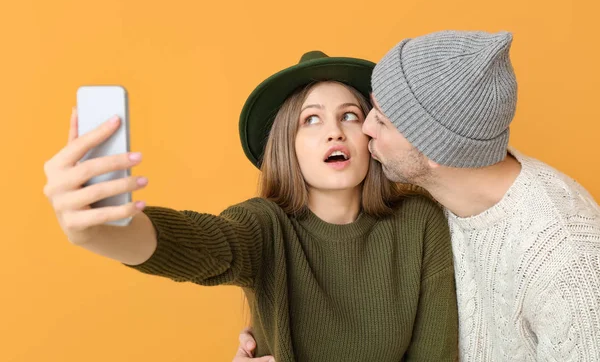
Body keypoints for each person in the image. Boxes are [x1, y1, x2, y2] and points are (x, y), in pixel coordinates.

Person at [43, 51, 459, 361]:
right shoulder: (265, 226)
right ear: (287, 146)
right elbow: (201, 245)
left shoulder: (419, 221)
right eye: (310, 120)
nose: (333, 131)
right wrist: (100, 230)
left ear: (372, 135)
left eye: (349, 115)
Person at [236, 31, 600, 361]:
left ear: (434, 149)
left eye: (381, 119)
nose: (363, 129)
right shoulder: (430, 205)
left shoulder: (565, 256)